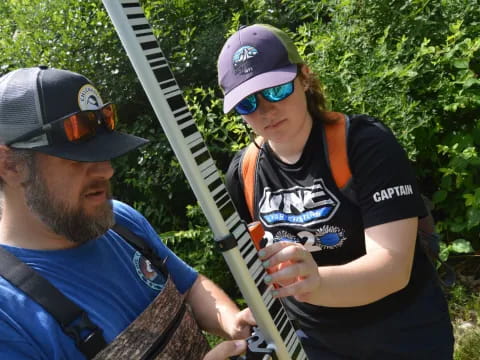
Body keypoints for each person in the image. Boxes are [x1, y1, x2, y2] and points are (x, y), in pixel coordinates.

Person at [217, 24, 454, 359]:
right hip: (314, 345)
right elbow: (260, 269)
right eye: (246, 103)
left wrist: (316, 283)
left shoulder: (365, 144)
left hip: (401, 337)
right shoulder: (244, 173)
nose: (264, 110)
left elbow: (392, 269)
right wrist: (262, 310)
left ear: (304, 78)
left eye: (275, 89)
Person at [0, 66, 255, 360]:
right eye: (77, 159)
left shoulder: (119, 221)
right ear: (10, 165)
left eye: (104, 153)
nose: (107, 170)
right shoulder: (9, 315)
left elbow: (189, 285)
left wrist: (231, 322)